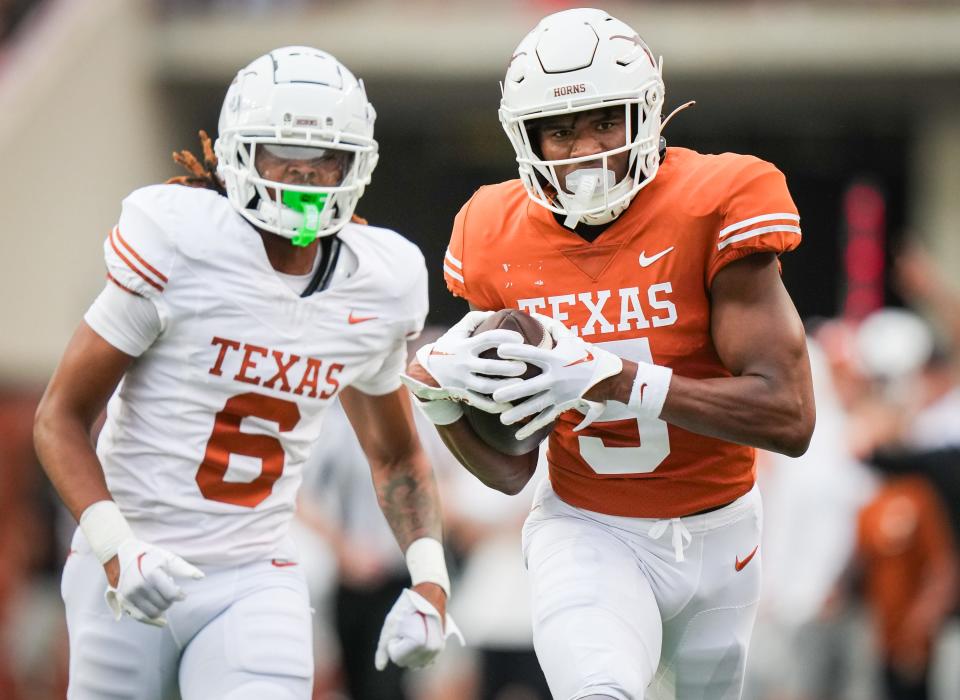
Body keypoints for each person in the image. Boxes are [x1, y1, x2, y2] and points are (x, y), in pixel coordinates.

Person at [402, 9, 815, 700]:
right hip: (586, 525)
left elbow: (789, 417)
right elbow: (509, 474)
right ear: (526, 138)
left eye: (602, 122)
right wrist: (441, 403)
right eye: (560, 131)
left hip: (722, 532)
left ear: (644, 116)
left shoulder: (714, 200)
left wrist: (613, 377)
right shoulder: (491, 231)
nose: (584, 148)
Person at [33, 46, 459, 699]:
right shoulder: (179, 243)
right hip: (128, 563)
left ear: (357, 165)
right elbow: (58, 417)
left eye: (326, 161)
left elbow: (398, 456)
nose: (305, 176)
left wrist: (430, 582)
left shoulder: (378, 284)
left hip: (255, 572)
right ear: (238, 153)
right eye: (283, 156)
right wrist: (116, 545)